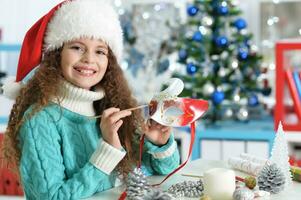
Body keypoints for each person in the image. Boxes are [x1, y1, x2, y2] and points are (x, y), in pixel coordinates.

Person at [1, 0, 180, 199]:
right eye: (77, 47)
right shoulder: (40, 120)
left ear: (109, 61)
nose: (89, 59)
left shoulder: (111, 107)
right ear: (56, 54)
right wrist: (109, 150)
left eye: (100, 51)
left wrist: (158, 144)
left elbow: (165, 172)